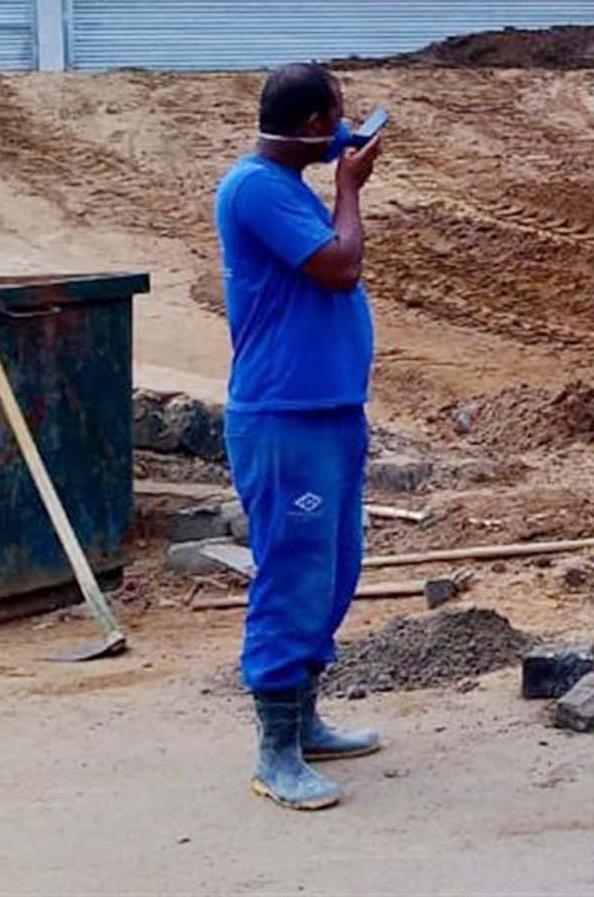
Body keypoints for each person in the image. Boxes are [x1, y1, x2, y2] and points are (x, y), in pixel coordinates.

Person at [215, 61, 386, 812]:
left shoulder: (287, 187)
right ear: (316, 124)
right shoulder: (255, 189)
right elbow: (340, 267)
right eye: (337, 116)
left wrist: (336, 180)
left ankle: (305, 719)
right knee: (292, 573)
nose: (346, 127)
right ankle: (275, 751)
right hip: (285, 415)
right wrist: (350, 188)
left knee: (334, 568)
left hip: (329, 410)